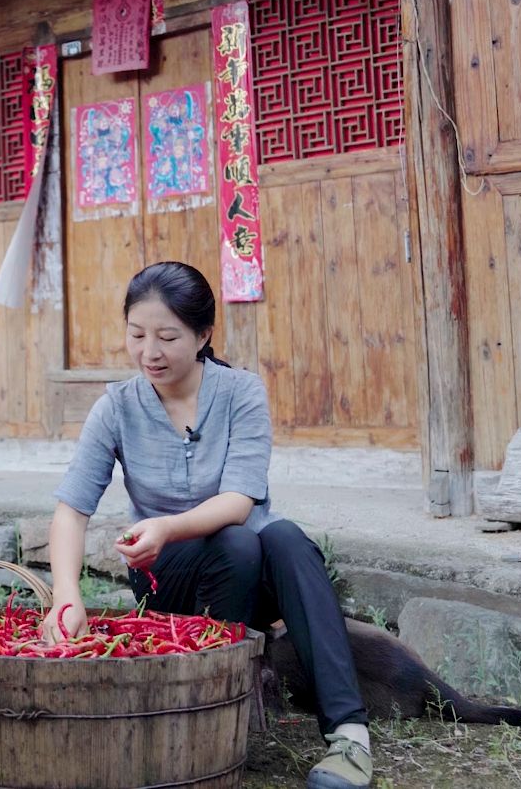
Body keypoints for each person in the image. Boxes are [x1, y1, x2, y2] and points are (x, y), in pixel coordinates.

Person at [40, 261, 373, 789]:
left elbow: (239, 501)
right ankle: (208, 710)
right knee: (240, 545)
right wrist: (65, 592)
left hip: (246, 567)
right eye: (137, 334)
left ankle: (350, 736)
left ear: (203, 336)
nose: (150, 351)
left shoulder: (241, 392)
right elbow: (72, 509)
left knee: (280, 538)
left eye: (168, 336)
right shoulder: (116, 408)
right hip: (169, 577)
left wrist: (167, 525)